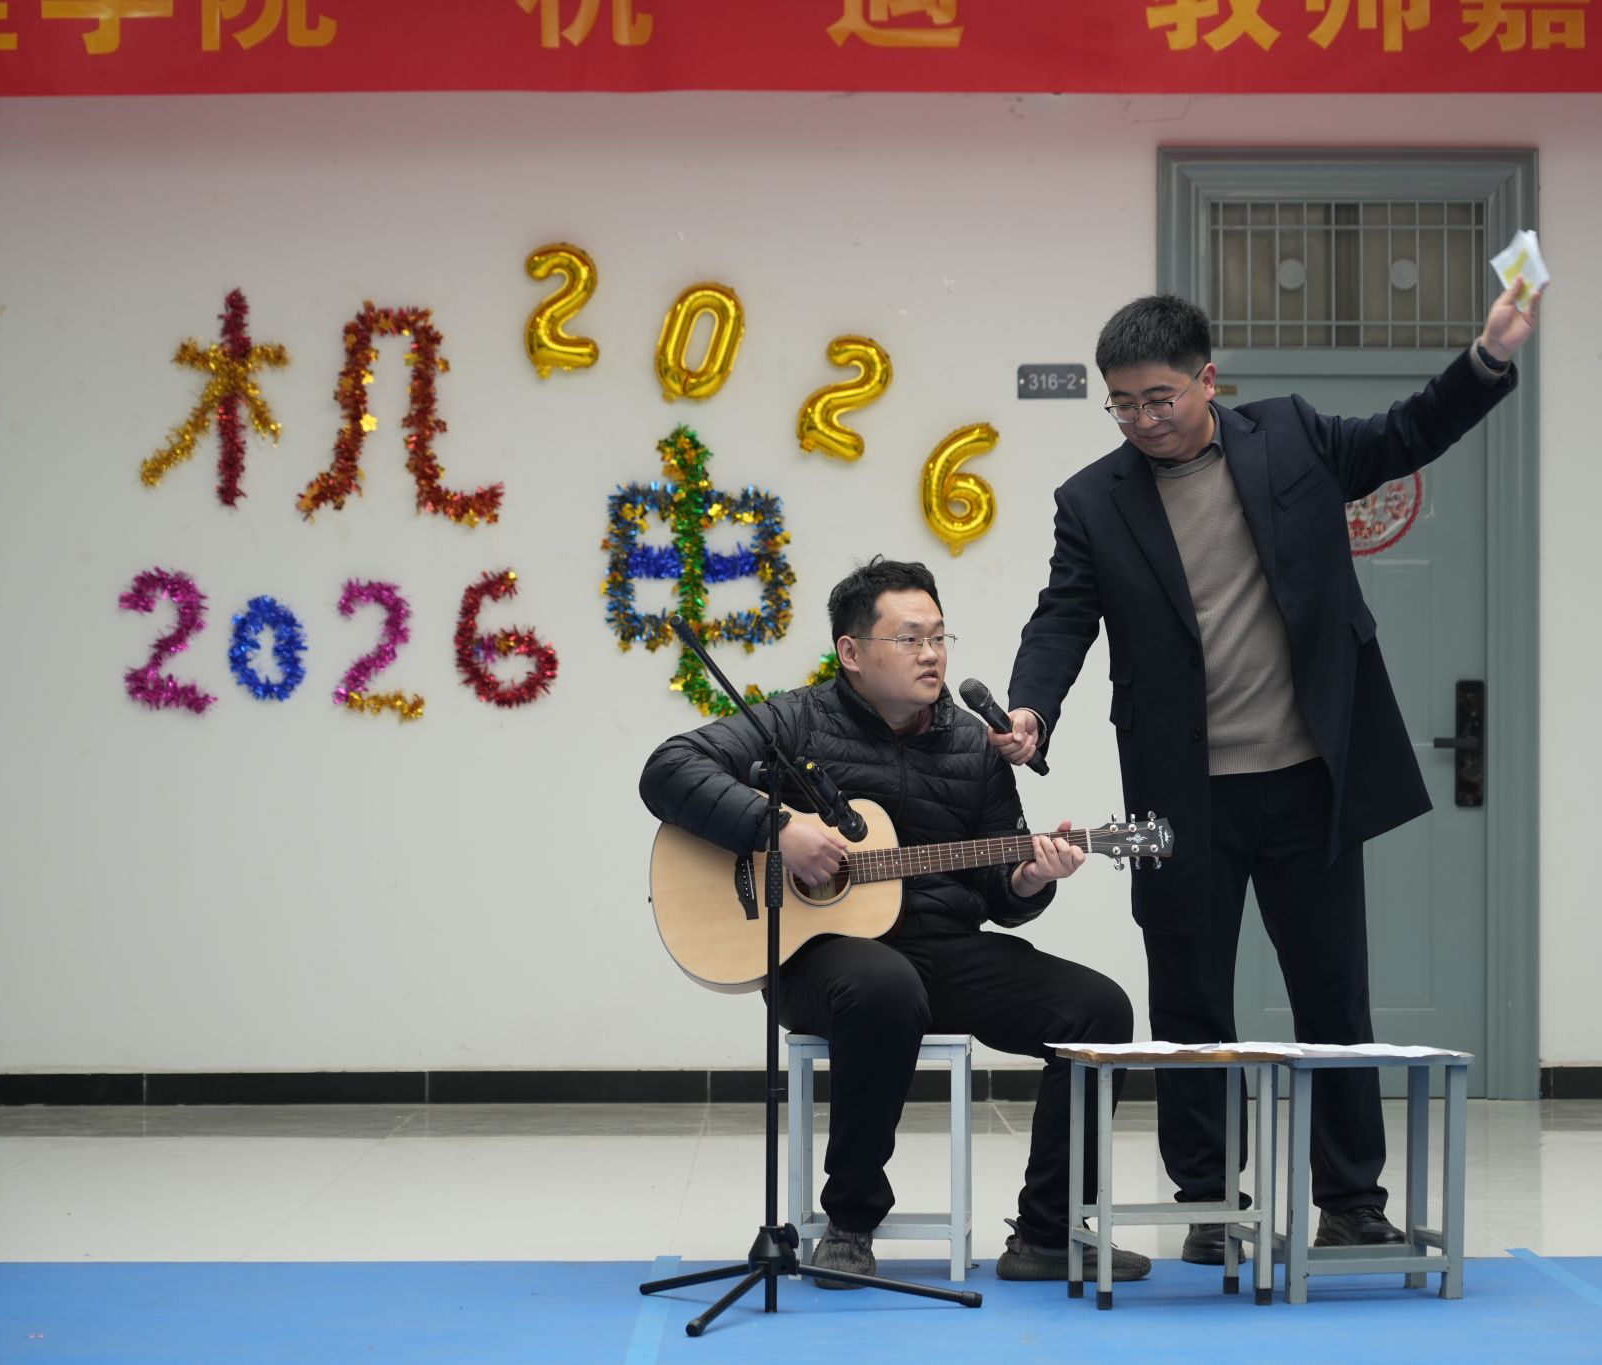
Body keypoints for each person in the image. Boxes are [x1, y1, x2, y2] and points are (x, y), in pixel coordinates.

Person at [988, 281, 1541, 1261]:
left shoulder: (1291, 438)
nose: (1142, 420)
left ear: (1207, 380)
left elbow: (1407, 433)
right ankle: (1211, 1205)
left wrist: (1487, 359)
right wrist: (1032, 707)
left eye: (1158, 398)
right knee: (1188, 1001)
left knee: (1332, 995)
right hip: (1176, 798)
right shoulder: (1093, 501)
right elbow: (1062, 616)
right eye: (1121, 404)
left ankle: (1351, 1203)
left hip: (1305, 779)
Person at [639, 557, 1149, 1286]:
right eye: (910, 639)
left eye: (939, 637)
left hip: (943, 948)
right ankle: (850, 1222)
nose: (932, 654)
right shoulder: (795, 721)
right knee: (883, 985)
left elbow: (998, 891)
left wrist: (1030, 876)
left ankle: (1048, 1230)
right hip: (820, 959)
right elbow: (668, 768)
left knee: (1099, 1009)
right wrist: (779, 828)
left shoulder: (973, 745)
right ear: (851, 651)